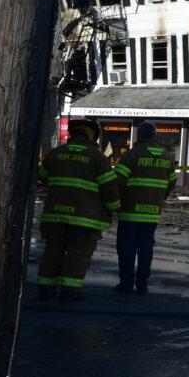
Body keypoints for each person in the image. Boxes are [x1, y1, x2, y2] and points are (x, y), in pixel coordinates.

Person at [36, 119, 119, 301]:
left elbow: (42, 177)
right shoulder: (98, 159)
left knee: (52, 251)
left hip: (54, 216)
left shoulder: (55, 154)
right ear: (92, 137)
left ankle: (45, 288)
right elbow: (109, 189)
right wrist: (114, 209)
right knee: (77, 254)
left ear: (72, 135)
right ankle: (69, 291)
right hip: (84, 219)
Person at [113, 122, 176, 294]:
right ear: (154, 136)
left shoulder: (131, 155)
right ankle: (142, 285)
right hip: (151, 214)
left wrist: (112, 203)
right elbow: (171, 183)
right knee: (146, 249)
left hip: (129, 213)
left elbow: (117, 182)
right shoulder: (167, 158)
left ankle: (126, 284)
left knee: (127, 249)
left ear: (138, 136)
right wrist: (158, 198)